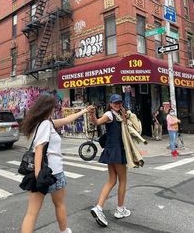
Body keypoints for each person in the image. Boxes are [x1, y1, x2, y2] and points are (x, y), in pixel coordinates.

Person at [20, 95, 92, 233]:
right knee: (57, 206)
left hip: (47, 172)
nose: (55, 109)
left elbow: (66, 120)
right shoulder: (45, 124)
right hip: (51, 173)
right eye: (54, 107)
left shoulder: (44, 122)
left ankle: (64, 231)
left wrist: (84, 111)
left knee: (32, 213)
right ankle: (64, 231)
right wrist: (38, 176)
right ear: (48, 108)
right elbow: (39, 149)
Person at [89, 94, 131, 227]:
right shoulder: (109, 114)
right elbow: (96, 122)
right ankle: (120, 209)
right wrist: (92, 114)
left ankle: (99, 207)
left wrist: (124, 116)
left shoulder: (118, 115)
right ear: (111, 104)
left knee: (112, 180)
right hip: (116, 150)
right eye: (115, 103)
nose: (118, 105)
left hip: (111, 150)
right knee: (122, 180)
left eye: (120, 103)